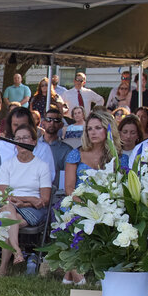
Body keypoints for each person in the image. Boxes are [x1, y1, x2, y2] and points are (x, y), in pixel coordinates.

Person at [61, 109, 118, 284]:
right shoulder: (75, 154)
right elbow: (69, 188)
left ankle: (70, 274)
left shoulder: (118, 157)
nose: (93, 132)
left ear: (108, 130)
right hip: (78, 202)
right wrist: (86, 204)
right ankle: (79, 279)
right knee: (72, 219)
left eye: (98, 128)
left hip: (106, 204)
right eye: (89, 129)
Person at [0, 125, 52, 277]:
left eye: (25, 138)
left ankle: (3, 268)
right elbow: (2, 195)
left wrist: (26, 202)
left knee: (7, 221)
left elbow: (44, 200)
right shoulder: (7, 165)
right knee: (7, 209)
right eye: (18, 138)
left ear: (34, 142)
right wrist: (29, 199)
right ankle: (17, 251)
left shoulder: (42, 166)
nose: (21, 141)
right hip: (11, 204)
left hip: (32, 209)